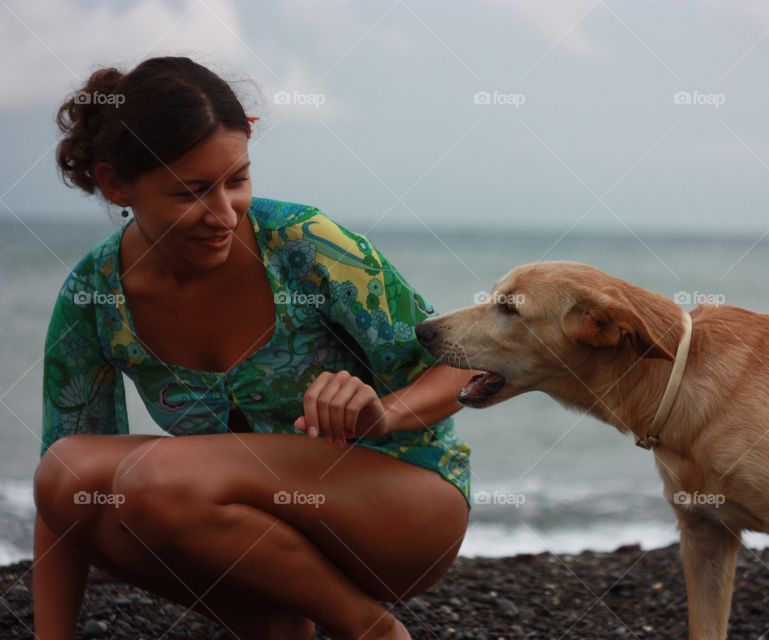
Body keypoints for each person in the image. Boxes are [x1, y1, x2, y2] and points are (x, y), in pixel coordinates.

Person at [33, 56, 477, 640]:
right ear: (117, 184)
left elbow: (460, 368)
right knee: (66, 474)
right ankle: (273, 625)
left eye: (236, 180)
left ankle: (370, 630)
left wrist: (381, 412)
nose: (222, 214)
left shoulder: (305, 244)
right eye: (191, 192)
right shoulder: (95, 294)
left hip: (400, 506)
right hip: (249, 536)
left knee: (156, 476)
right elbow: (63, 496)